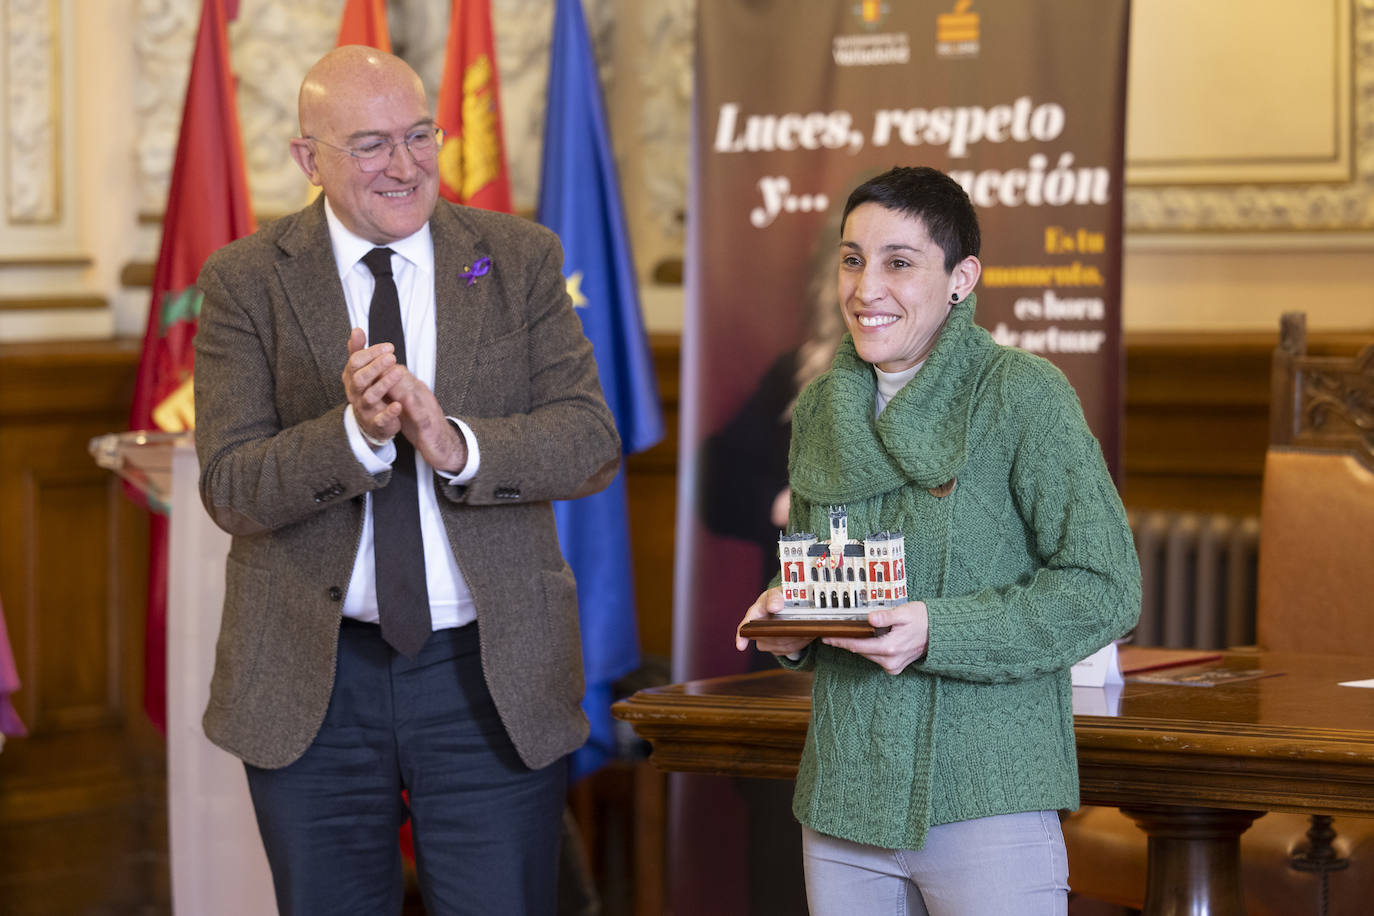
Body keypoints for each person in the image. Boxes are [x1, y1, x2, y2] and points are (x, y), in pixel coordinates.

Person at [192, 46, 620, 916]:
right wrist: (354, 435)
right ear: (308, 158)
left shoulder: (518, 257)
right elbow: (231, 485)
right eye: (371, 144)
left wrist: (450, 439)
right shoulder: (246, 281)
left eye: (420, 134)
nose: (406, 164)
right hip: (313, 683)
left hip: (485, 676)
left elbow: (589, 441)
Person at [735, 166, 1141, 916]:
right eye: (853, 259)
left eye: (899, 262)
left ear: (961, 278)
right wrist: (790, 617)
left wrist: (936, 630)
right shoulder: (823, 402)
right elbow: (830, 580)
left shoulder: (1022, 392)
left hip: (986, 793)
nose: (866, 288)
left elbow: (1106, 586)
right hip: (843, 793)